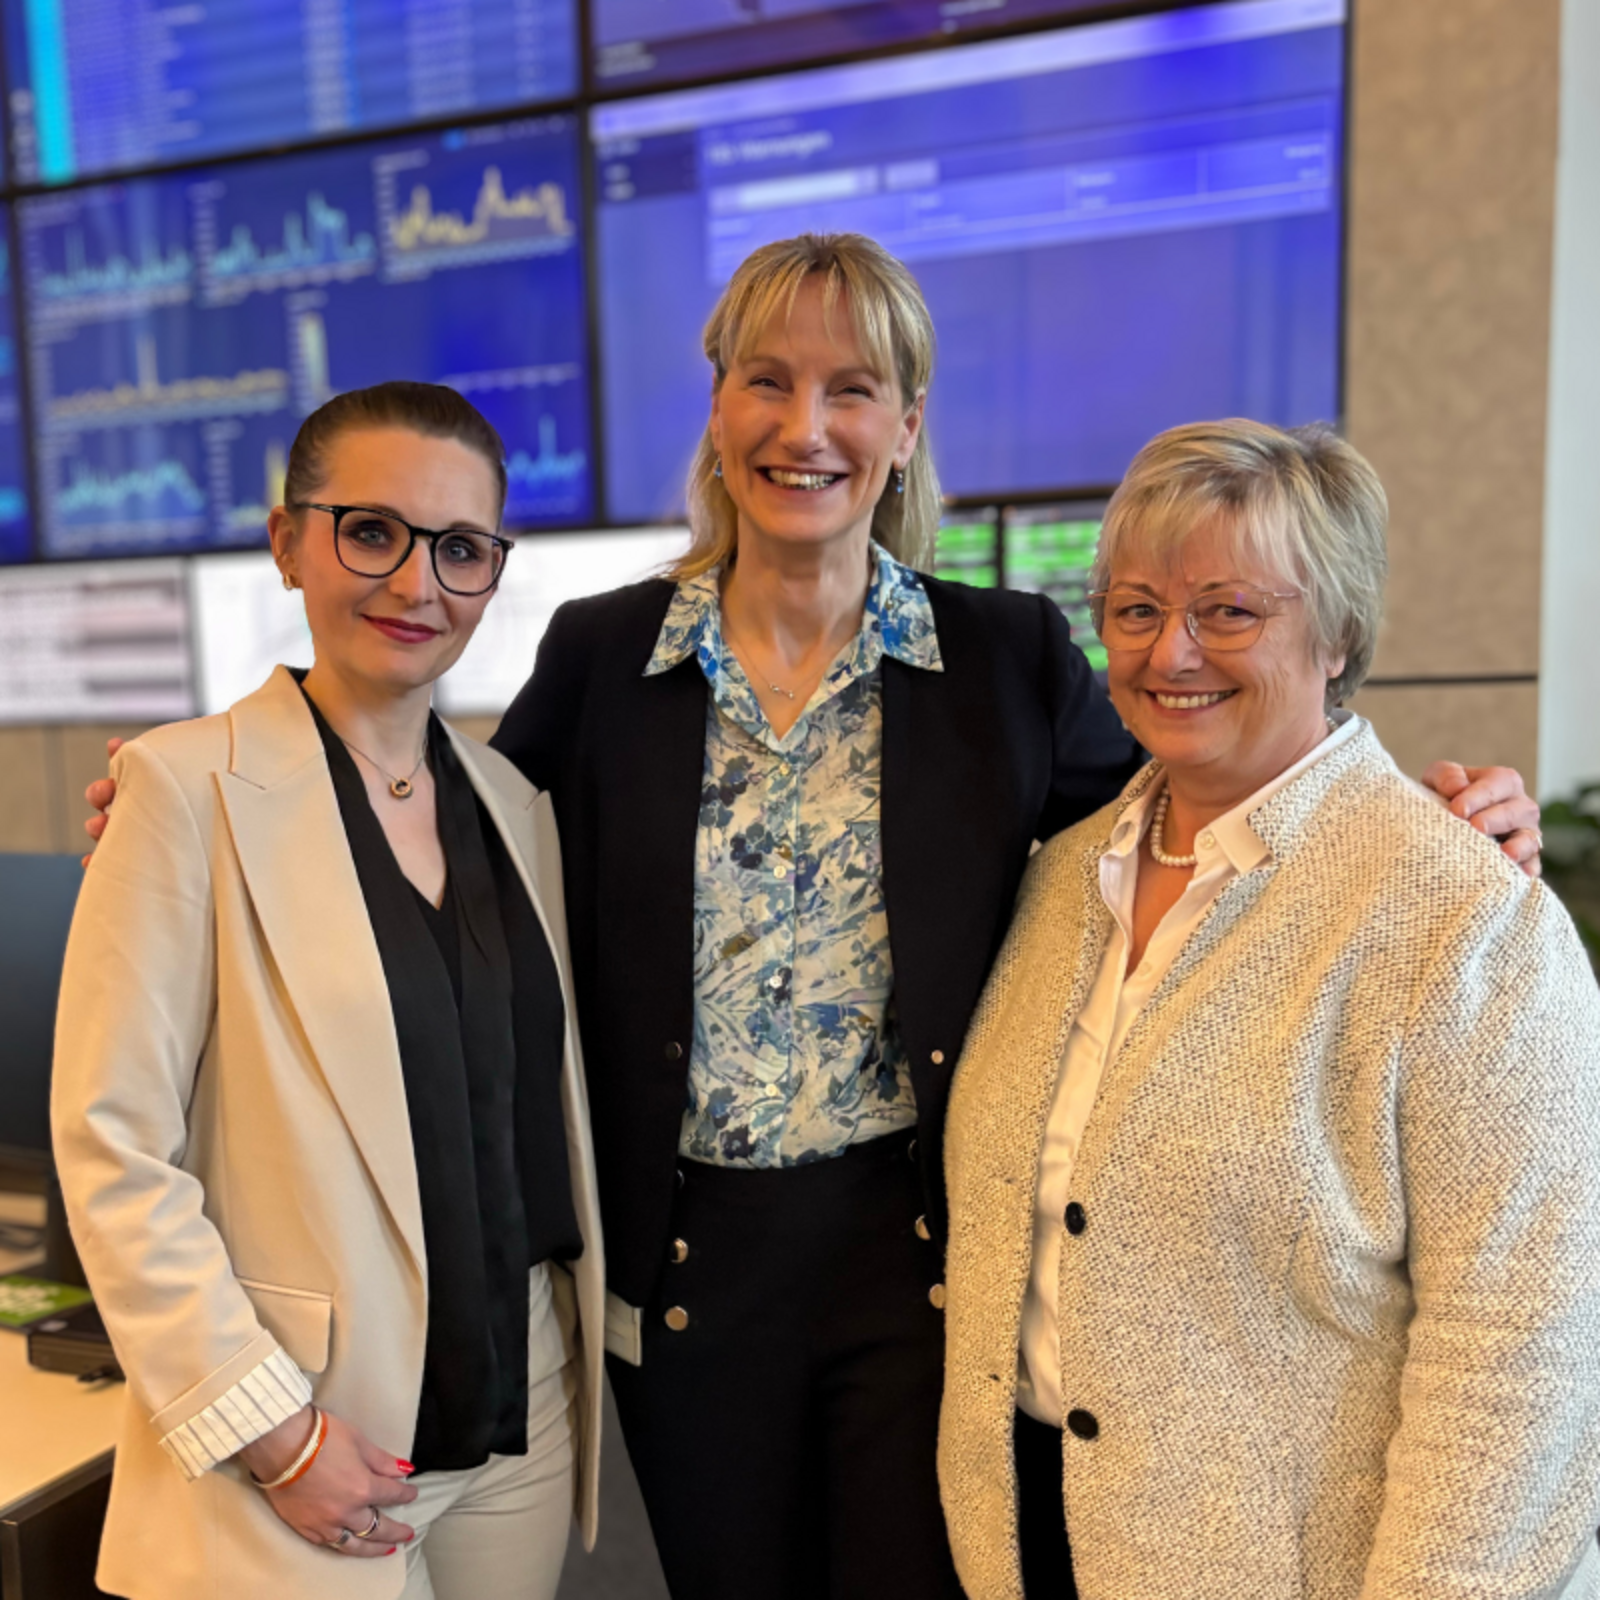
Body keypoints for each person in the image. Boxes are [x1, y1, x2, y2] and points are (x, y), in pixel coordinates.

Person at [82, 238, 1542, 1599]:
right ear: (719, 410)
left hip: (924, 1272)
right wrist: (216, 807)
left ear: (906, 427)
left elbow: (1203, 799)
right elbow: (450, 832)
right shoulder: (604, 656)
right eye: (767, 380)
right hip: (683, 1277)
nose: (806, 426)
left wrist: (1429, 813)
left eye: (853, 389)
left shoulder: (1004, 656)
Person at [937, 419, 1600, 1600]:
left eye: (1228, 610)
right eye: (1134, 609)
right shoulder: (1060, 881)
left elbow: (1521, 1357)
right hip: (1029, 1533)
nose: (1170, 650)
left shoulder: (1462, 919)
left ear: (1337, 632)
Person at [53, 382, 606, 1600]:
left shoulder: (516, 809)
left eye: (460, 549)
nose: (416, 584)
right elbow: (113, 1148)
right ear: (287, 541)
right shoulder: (181, 790)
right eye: (371, 532)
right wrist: (272, 1429)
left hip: (523, 1403)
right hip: (308, 1418)